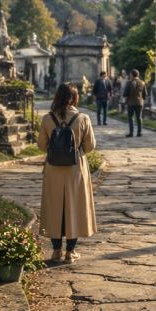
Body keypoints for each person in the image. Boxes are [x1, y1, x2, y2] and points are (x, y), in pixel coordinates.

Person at [38, 83, 97, 263]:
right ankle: (70, 252)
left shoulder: (47, 119)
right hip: (75, 168)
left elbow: (41, 145)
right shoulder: (83, 118)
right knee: (75, 207)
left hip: (53, 168)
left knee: (54, 207)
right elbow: (90, 146)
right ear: (74, 97)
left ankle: (56, 251)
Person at [122, 69, 147, 137]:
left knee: (131, 118)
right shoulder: (142, 82)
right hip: (139, 102)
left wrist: (126, 96)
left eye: (130, 74)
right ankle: (139, 132)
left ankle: (131, 132)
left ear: (132, 75)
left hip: (131, 103)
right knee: (139, 117)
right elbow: (145, 94)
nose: (130, 76)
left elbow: (125, 94)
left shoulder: (129, 83)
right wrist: (142, 100)